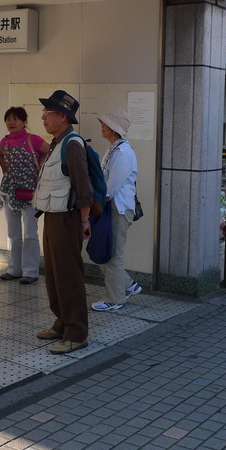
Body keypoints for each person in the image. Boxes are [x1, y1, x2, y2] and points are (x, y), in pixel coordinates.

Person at [33, 90, 92, 354]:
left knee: (69, 277)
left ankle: (77, 333)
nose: (43, 117)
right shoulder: (58, 142)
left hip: (68, 220)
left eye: (48, 113)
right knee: (54, 276)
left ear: (63, 116)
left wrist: (84, 221)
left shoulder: (72, 144)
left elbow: (83, 186)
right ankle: (62, 322)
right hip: (52, 217)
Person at [90, 109, 141, 311]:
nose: (102, 126)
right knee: (107, 251)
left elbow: (110, 187)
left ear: (114, 129)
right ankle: (128, 286)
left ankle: (114, 299)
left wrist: (95, 205)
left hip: (117, 209)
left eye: (105, 123)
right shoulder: (116, 149)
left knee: (112, 254)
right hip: (112, 208)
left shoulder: (122, 152)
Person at [0, 106, 48, 284]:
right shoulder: (4, 142)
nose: (11, 122)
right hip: (10, 192)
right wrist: (7, 173)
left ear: (24, 122)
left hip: (30, 193)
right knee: (13, 233)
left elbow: (48, 152)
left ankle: (31, 271)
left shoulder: (33, 139)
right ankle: (14, 269)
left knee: (30, 233)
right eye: (8, 119)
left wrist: (39, 170)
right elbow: (1, 156)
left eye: (16, 119)